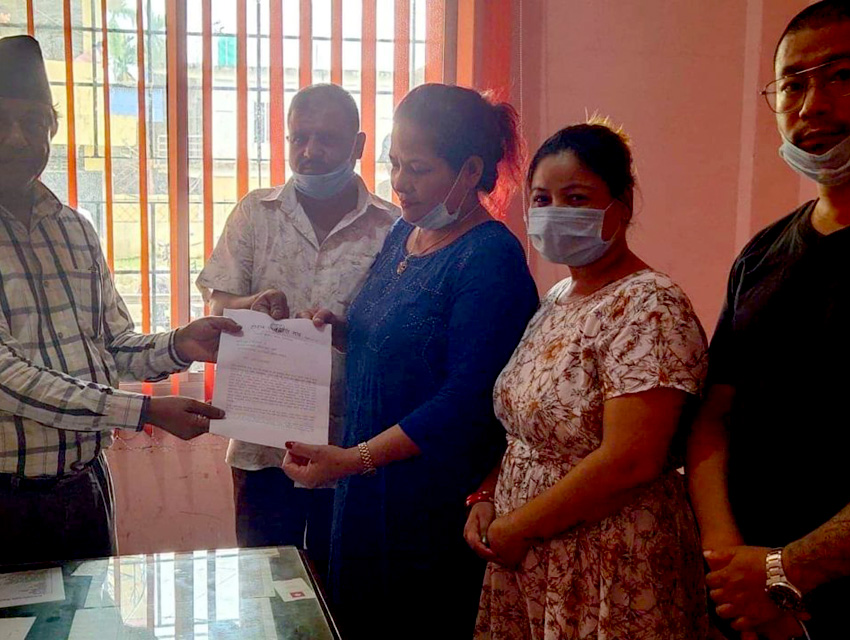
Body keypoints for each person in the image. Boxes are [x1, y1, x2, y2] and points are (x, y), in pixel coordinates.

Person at [0, 36, 239, 570]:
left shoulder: (74, 229)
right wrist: (144, 411)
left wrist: (181, 344)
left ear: (52, 129)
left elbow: (111, 347)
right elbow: (0, 377)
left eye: (34, 121)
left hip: (81, 495)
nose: (17, 137)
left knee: (91, 618)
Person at [280, 83, 539, 639]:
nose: (399, 182)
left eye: (418, 169)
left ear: (471, 171)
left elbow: (466, 401)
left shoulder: (489, 258)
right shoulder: (406, 231)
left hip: (430, 508)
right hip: (366, 496)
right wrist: (341, 331)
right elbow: (399, 340)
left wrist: (351, 460)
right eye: (394, 164)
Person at [687, 2, 850, 638]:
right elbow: (714, 415)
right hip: (746, 600)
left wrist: (788, 570)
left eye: (841, 76)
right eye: (791, 86)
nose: (811, 106)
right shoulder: (762, 254)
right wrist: (732, 564)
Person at [466, 121, 710, 639]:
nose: (556, 212)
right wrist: (487, 495)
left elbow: (632, 459)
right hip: (530, 550)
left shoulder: (649, 304)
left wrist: (520, 525)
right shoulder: (558, 299)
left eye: (576, 198)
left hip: (608, 557)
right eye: (542, 199)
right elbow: (528, 430)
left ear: (622, 205)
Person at [195, 83, 398, 580]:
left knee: (345, 588)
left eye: (326, 138)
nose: (310, 151)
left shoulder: (391, 227)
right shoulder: (255, 213)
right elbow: (217, 304)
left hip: (349, 447)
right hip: (263, 443)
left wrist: (349, 332)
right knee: (264, 587)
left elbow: (397, 334)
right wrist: (250, 305)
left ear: (358, 145)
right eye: (298, 137)